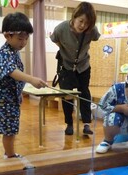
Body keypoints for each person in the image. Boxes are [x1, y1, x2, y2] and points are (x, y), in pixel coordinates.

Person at [0, 12, 47, 158]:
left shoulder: (13, 51)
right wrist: (31, 79)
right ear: (7, 36)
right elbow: (11, 71)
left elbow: (14, 77)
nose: (23, 42)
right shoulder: (4, 53)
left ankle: (9, 153)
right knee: (9, 129)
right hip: (4, 100)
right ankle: (9, 156)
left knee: (12, 127)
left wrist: (20, 92)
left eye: (26, 39)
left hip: (11, 98)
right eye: (20, 38)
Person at [50, 1, 101, 135]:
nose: (83, 25)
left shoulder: (92, 30)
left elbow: (96, 37)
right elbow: (54, 38)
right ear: (74, 16)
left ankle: (86, 124)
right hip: (66, 66)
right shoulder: (61, 28)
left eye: (87, 23)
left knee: (84, 93)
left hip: (83, 66)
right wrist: (63, 48)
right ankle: (69, 124)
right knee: (67, 95)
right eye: (81, 21)